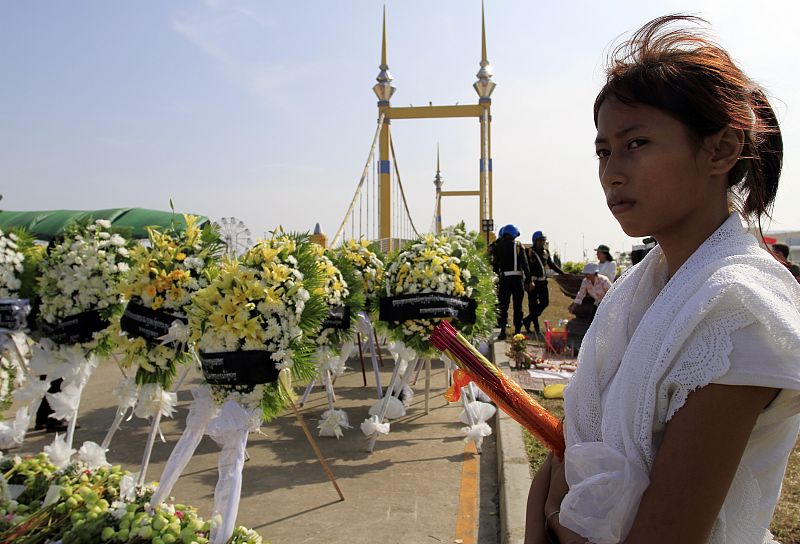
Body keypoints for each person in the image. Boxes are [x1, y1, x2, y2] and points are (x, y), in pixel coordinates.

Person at [526, 15, 800, 544]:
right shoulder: (641, 292)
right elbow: (574, 452)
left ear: (720, 150)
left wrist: (557, 515)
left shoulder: (738, 310)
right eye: (603, 150)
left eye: (637, 143)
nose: (611, 172)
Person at [492, 224, 531, 341]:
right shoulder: (519, 246)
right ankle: (517, 332)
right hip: (517, 279)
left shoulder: (498, 246)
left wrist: (497, 281)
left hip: (504, 280)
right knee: (518, 306)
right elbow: (525, 264)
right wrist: (529, 279)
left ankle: (503, 331)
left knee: (503, 307)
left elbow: (495, 265)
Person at [523, 231, 564, 337]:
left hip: (542, 282)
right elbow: (525, 267)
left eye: (543, 240)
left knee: (544, 303)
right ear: (535, 241)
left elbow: (551, 264)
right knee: (533, 305)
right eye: (540, 240)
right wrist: (527, 281)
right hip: (533, 281)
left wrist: (563, 273)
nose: (542, 242)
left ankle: (527, 320)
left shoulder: (546, 252)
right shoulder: (529, 252)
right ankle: (535, 327)